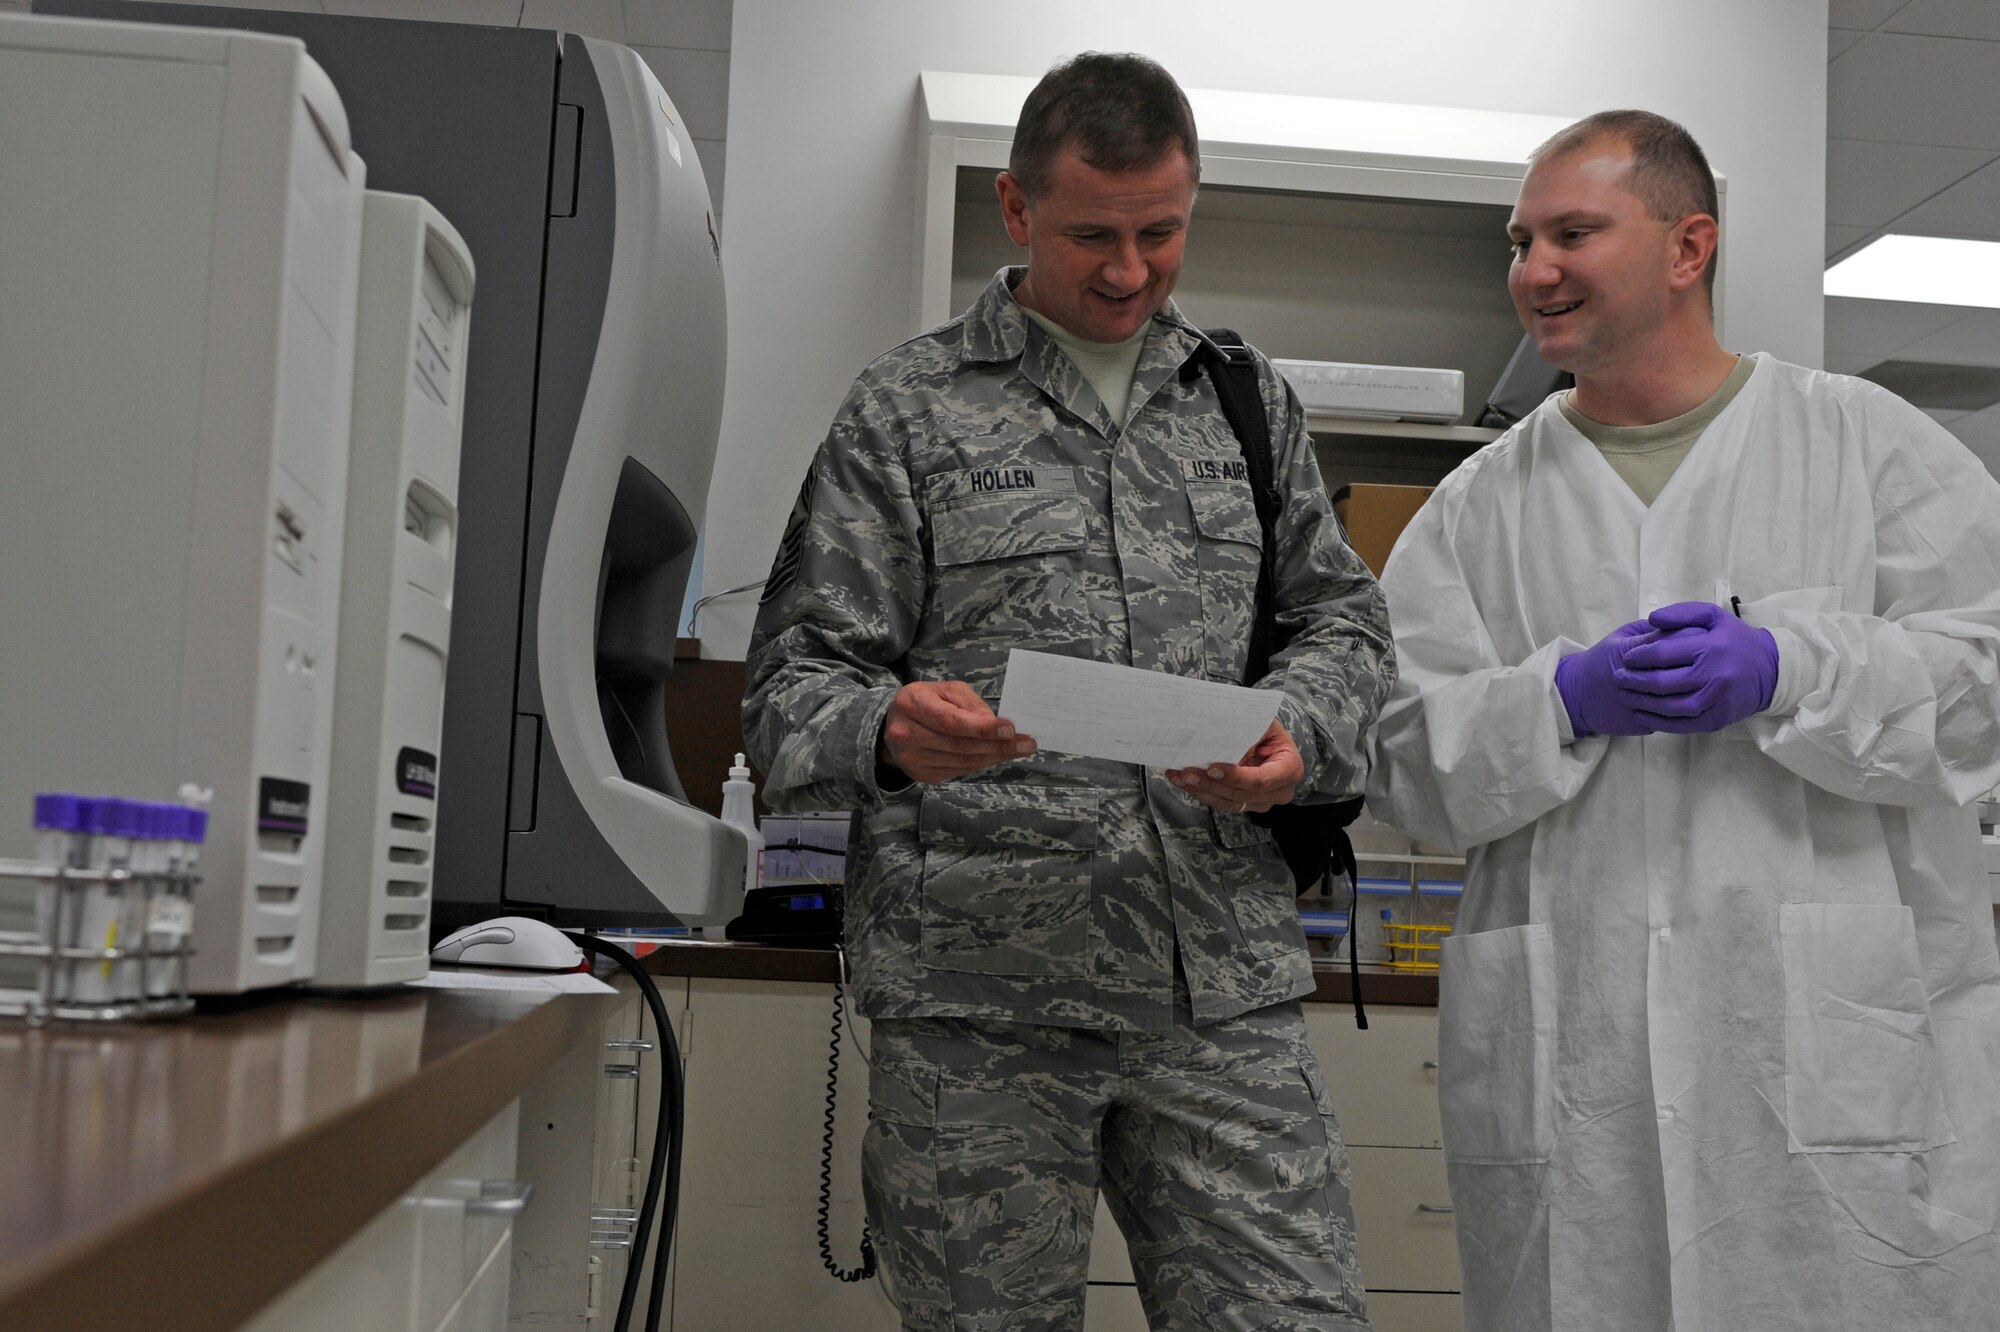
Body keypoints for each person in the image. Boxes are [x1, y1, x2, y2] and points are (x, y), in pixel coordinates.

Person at [743, 51, 1391, 1332]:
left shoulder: (1245, 402)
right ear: (1015, 207)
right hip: (981, 1002)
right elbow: (787, 686)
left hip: (1218, 994)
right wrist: (886, 729)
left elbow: (1345, 627)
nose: (1128, 270)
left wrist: (1293, 732)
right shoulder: (907, 410)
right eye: (1093, 233)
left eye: (1163, 232)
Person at [1367, 108, 2000, 1330]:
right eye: (1517, 240)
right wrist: (1553, 699)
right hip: (1574, 1051)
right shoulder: (1474, 509)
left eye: (1571, 232)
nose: (1531, 270)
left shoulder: (1864, 446)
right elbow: (1397, 758)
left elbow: (1983, 682)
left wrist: (1792, 671)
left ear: (1685, 244)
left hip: (1833, 1062)